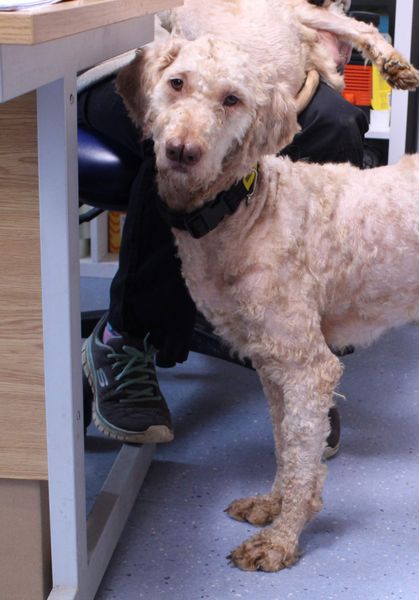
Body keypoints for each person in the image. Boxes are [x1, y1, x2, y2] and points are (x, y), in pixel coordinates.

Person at [79, 20, 367, 457]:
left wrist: (321, 34)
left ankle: (295, 344)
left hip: (260, 59)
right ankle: (125, 336)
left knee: (336, 123)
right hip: (134, 45)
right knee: (172, 139)